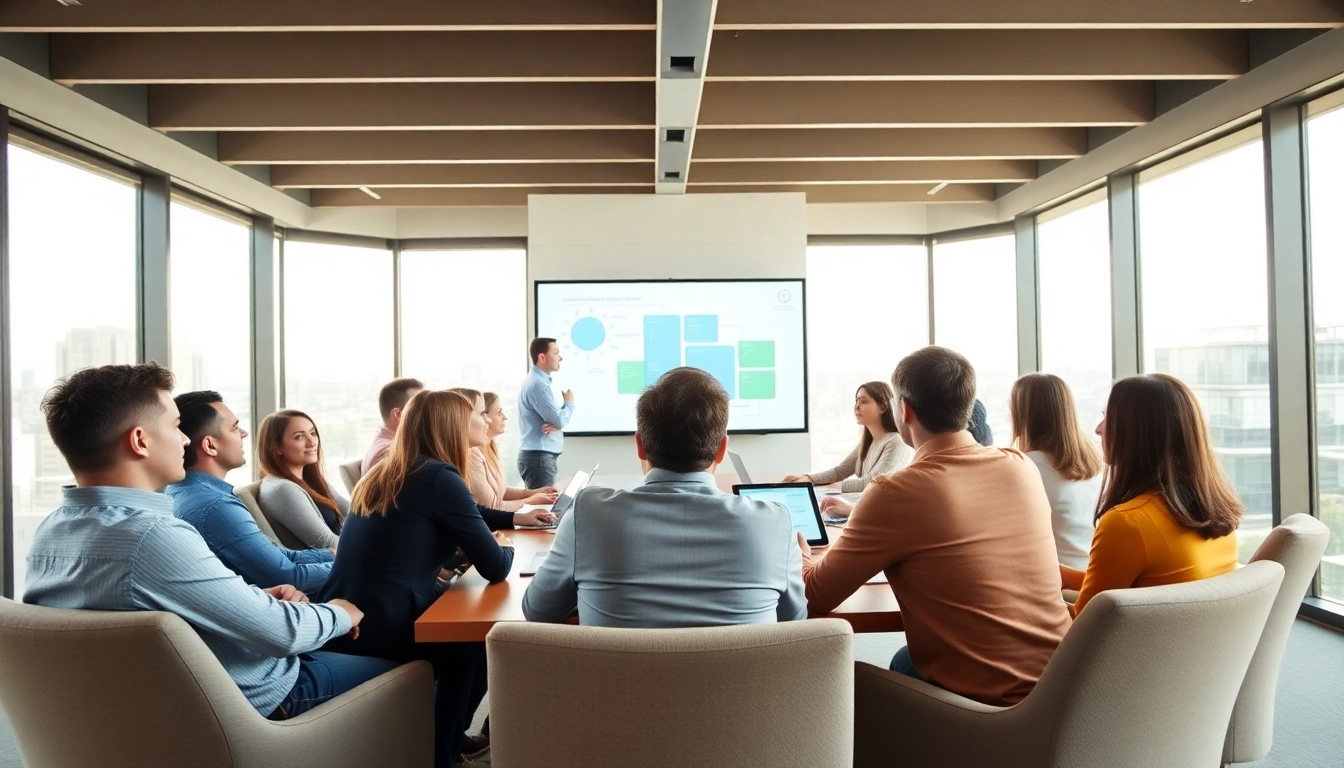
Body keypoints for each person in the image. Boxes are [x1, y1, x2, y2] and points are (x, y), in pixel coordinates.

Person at [24, 363, 393, 721]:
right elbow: (283, 634)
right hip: (258, 698)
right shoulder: (152, 535)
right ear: (140, 440)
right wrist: (344, 612)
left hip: (139, 712)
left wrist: (254, 599)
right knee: (418, 666)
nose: (185, 440)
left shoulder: (50, 533)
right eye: (174, 426)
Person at [800, 347, 1070, 707]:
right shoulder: (1020, 466)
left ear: (904, 410)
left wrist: (800, 556)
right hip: (1062, 687)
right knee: (904, 660)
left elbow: (817, 595)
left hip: (987, 708)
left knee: (857, 679)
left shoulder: (896, 492)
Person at [523, 367, 807, 628]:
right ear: (722, 449)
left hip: (617, 684)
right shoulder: (776, 525)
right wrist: (795, 561)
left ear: (640, 446)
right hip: (739, 685)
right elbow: (794, 623)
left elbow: (537, 611)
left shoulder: (588, 516)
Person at [320, 390, 515, 768]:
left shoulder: (392, 470)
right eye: (478, 414)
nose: (486, 421)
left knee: (468, 636)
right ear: (454, 426)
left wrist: (505, 523)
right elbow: (496, 567)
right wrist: (503, 545)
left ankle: (450, 739)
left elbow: (466, 514)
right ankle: (441, 755)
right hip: (382, 624)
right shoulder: (440, 476)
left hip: (352, 614)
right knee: (472, 645)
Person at [1061, 374, 1242, 617]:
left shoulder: (1127, 523)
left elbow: (1080, 626)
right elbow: (1137, 586)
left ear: (1137, 432)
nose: (1098, 429)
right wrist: (1055, 574)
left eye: (1108, 418)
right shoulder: (1212, 514)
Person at [167, 391, 335, 593]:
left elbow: (280, 557)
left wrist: (334, 555)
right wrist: (361, 564)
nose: (244, 433)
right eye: (235, 428)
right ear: (210, 445)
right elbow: (289, 577)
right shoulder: (215, 506)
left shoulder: (183, 491)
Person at [1009, 374, 1105, 570]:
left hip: (1057, 583)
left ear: (1023, 415)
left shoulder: (1025, 466)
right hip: (1090, 574)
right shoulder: (1094, 465)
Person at [784, 381, 913, 491]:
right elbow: (840, 471)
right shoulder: (867, 441)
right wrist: (808, 479)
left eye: (863, 401)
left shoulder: (896, 442)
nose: (856, 406)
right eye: (856, 401)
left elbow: (871, 483)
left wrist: (829, 487)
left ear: (883, 407)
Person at [257, 409, 347, 550]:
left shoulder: (310, 481)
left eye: (312, 433)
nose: (312, 442)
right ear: (277, 447)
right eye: (299, 437)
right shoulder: (281, 490)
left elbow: (356, 512)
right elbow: (326, 543)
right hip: (329, 567)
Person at [461, 389, 559, 513]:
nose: (505, 417)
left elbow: (498, 490)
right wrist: (529, 500)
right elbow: (490, 505)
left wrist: (530, 493)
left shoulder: (490, 448)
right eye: (499, 413)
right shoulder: (473, 454)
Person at [517, 337, 574, 488]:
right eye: (556, 353)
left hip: (539, 458)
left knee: (544, 507)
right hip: (539, 459)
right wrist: (569, 403)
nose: (560, 357)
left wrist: (557, 422)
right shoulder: (537, 385)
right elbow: (559, 421)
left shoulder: (539, 382)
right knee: (542, 509)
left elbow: (556, 421)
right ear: (542, 357)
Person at [362, 377, 424, 475]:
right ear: (397, 414)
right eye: (418, 407)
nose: (426, 413)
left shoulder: (388, 446)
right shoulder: (388, 454)